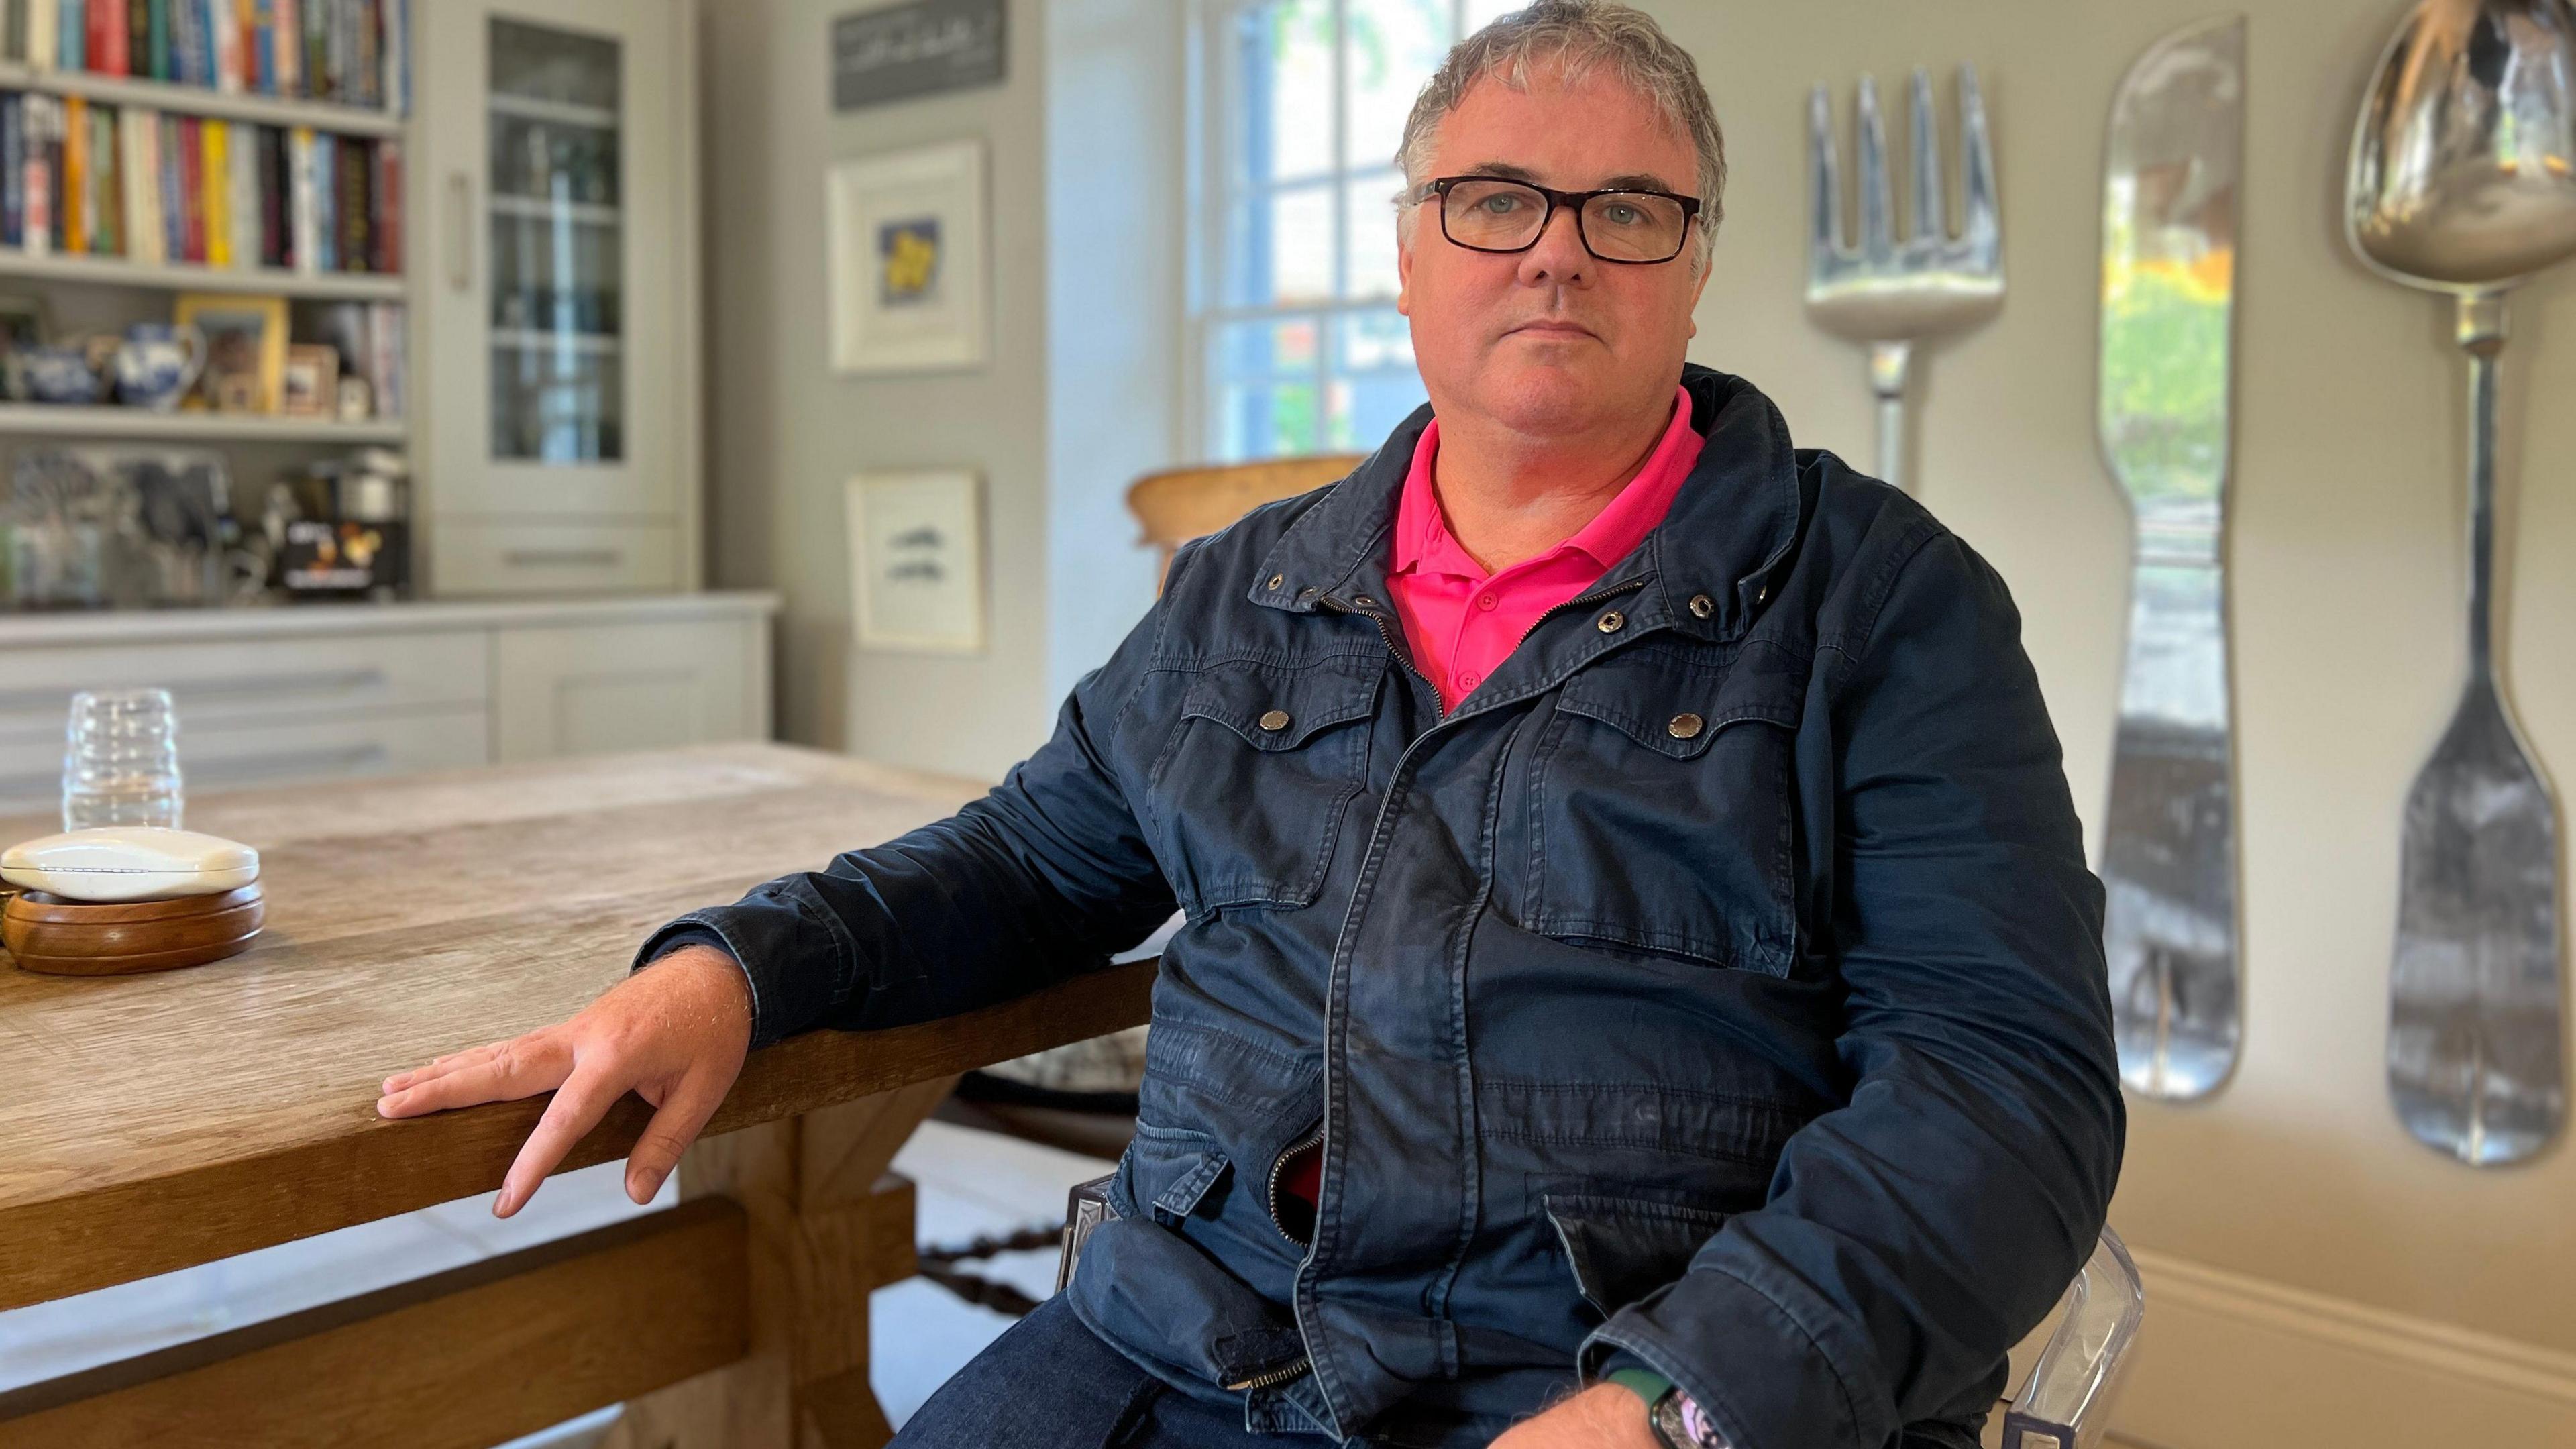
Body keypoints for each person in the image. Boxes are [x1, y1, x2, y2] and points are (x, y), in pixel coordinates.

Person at [375, 4, 2122, 1446]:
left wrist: (1685, 1399)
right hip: (1193, 1331)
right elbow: (1024, 863)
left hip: (1614, 1363)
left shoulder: (1887, 605)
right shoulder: (1246, 590)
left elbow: (2005, 1089)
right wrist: (736, 971)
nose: (1559, 257)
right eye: (1496, 199)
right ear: (1410, 246)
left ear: (1693, 265)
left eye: (1628, 211)